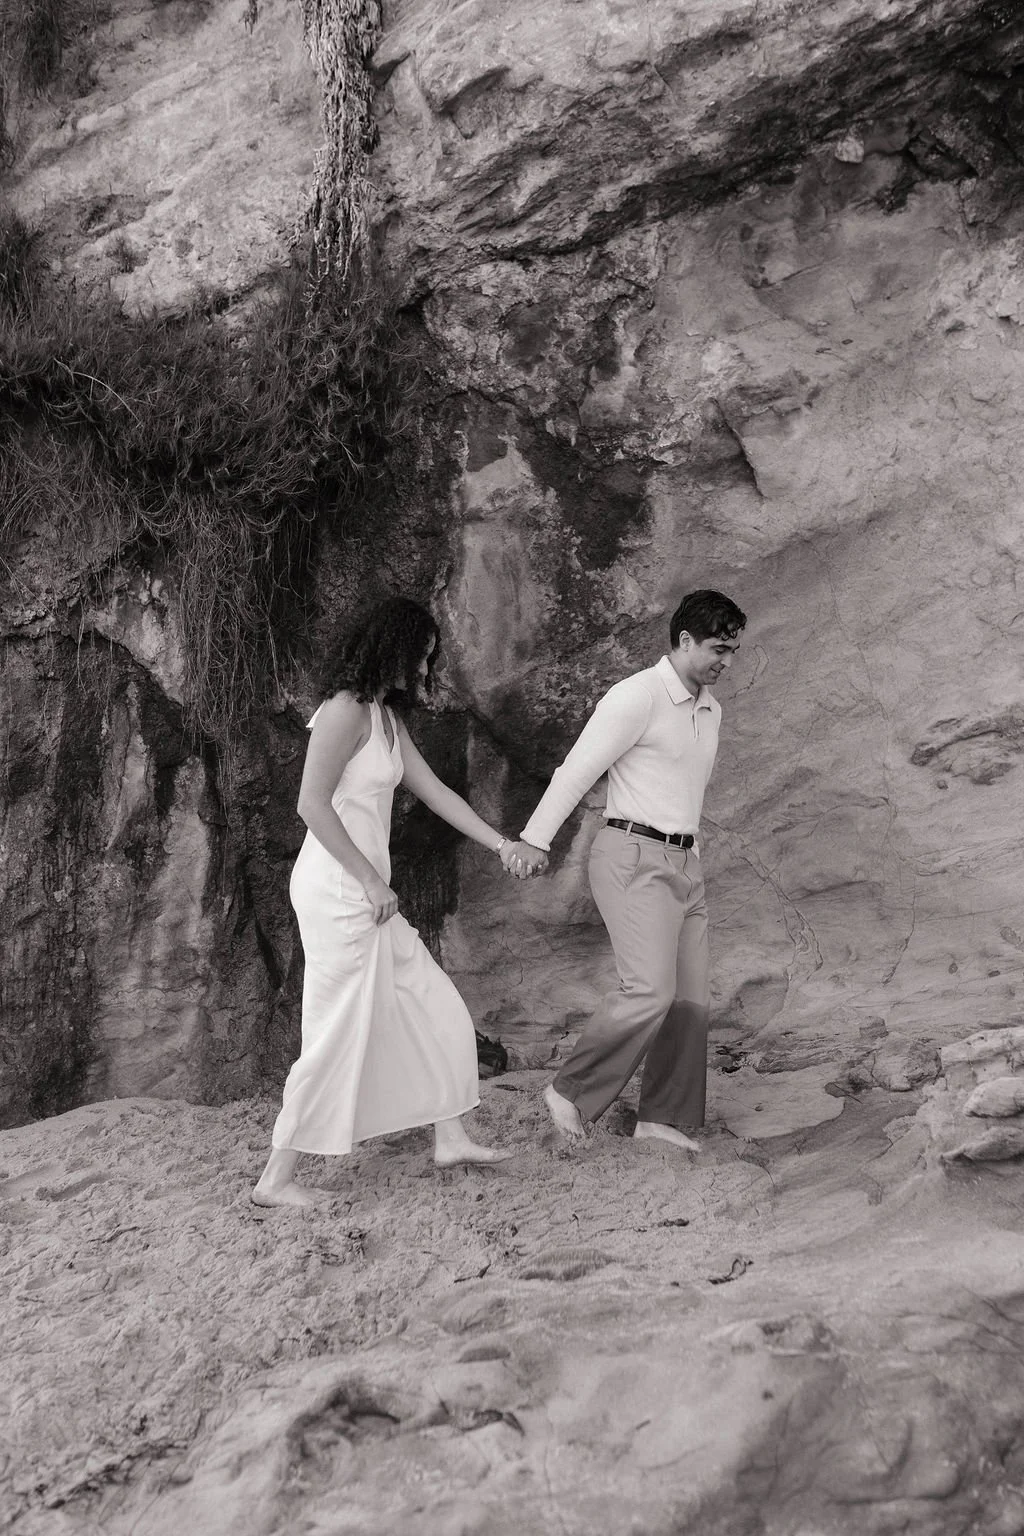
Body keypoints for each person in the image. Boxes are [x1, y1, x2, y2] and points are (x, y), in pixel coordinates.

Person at [254, 597, 522, 1208]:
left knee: (433, 1004)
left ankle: (449, 1136)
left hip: (369, 896)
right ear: (392, 647)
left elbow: (436, 793)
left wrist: (501, 843)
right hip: (340, 892)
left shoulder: (384, 718)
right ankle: (275, 1179)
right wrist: (372, 882)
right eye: (421, 653)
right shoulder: (345, 711)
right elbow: (310, 805)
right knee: (337, 1032)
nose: (426, 665)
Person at [505, 589, 747, 1149]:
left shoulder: (711, 709)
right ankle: (571, 1092)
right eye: (717, 648)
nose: (726, 662)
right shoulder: (635, 696)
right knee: (648, 991)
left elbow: (684, 790)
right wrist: (535, 840)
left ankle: (662, 1119)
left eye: (733, 651)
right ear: (683, 640)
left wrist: (690, 853)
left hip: (686, 861)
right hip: (632, 855)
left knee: (691, 999)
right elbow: (575, 770)